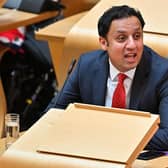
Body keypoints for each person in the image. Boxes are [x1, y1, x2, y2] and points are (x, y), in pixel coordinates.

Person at [44, 5, 168, 151]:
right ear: (104, 43)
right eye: (122, 38)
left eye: (137, 36)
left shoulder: (162, 72)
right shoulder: (86, 66)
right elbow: (52, 116)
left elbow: (166, 137)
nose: (132, 45)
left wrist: (107, 136)